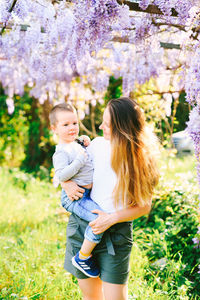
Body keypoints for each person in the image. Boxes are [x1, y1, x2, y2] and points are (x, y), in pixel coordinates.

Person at [61, 97, 160, 300]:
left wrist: (111, 218)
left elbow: (144, 206)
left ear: (122, 127)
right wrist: (66, 184)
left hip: (116, 233)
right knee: (91, 297)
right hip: (82, 228)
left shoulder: (141, 158)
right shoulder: (96, 145)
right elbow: (67, 168)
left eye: (106, 124)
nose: (100, 127)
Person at [50, 103, 107, 278]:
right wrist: (78, 162)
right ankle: (83, 257)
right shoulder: (60, 152)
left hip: (85, 194)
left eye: (74, 123)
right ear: (54, 128)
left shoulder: (74, 144)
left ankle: (87, 254)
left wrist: (84, 143)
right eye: (65, 125)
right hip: (75, 197)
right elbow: (61, 175)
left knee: (101, 218)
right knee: (100, 220)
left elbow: (84, 155)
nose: (72, 127)